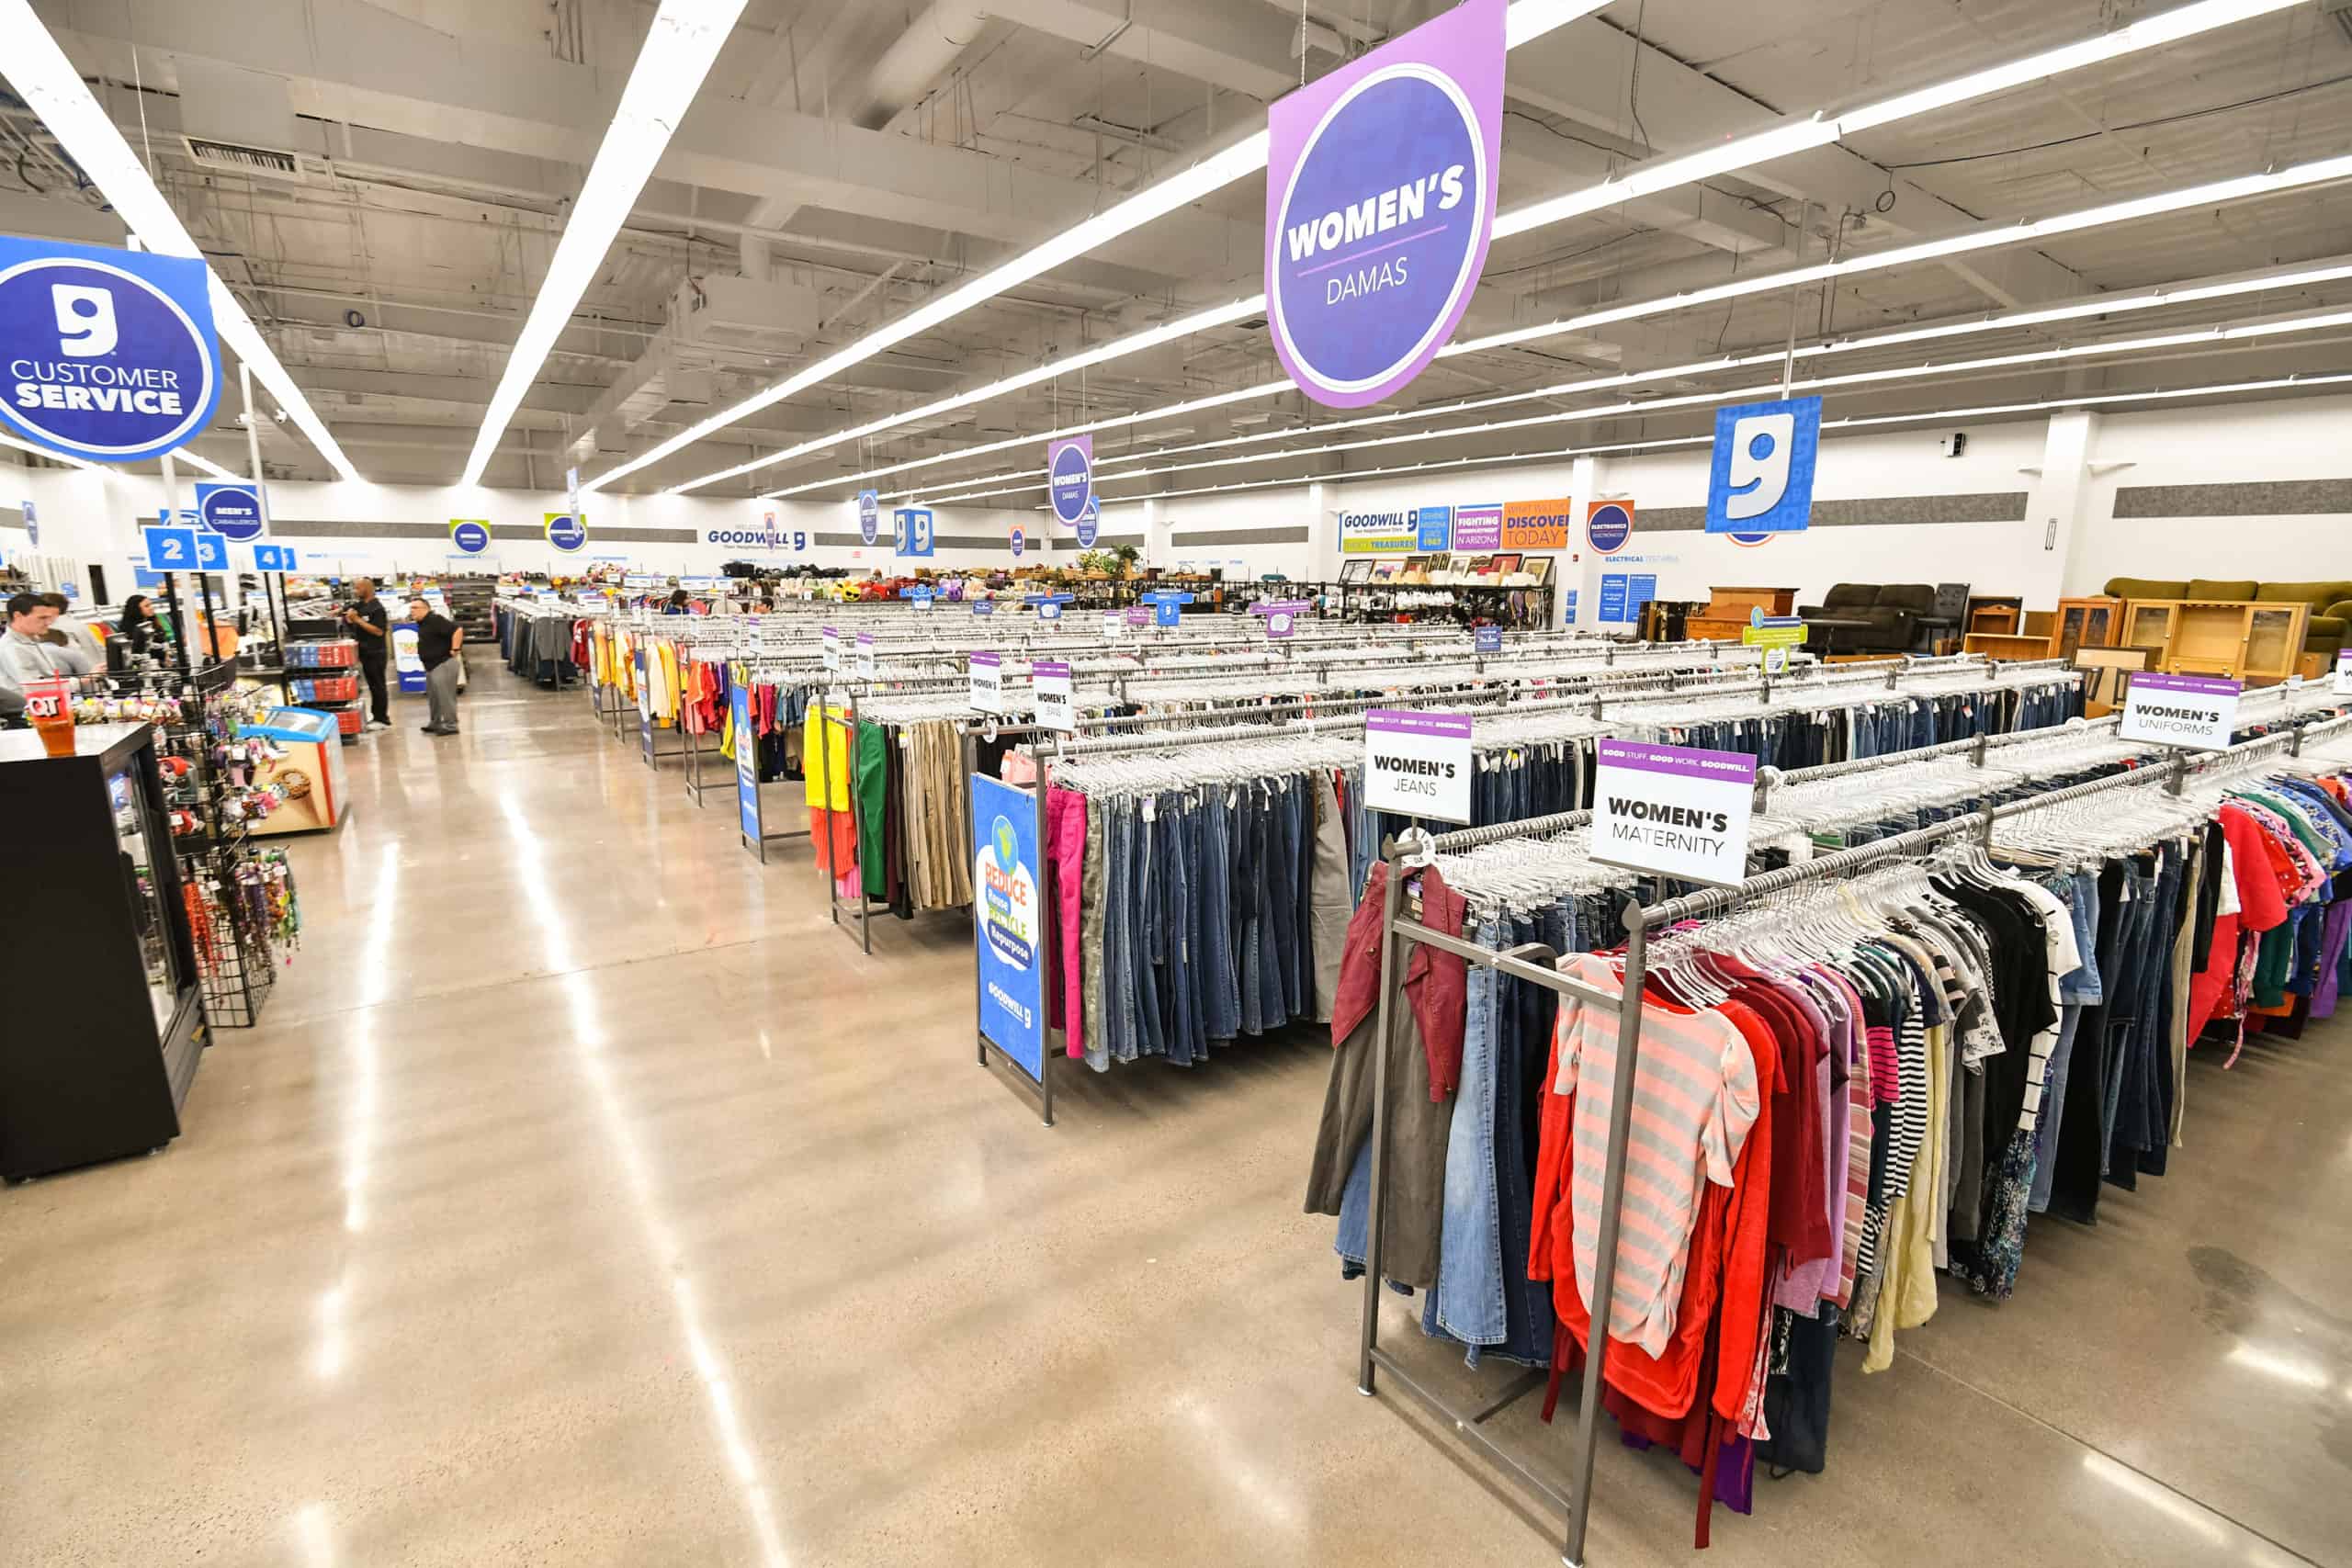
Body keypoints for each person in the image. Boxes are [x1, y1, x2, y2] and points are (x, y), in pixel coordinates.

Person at [408, 596, 463, 735]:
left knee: (446, 697)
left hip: (443, 664)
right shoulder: (423, 623)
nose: (412, 611)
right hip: (432, 666)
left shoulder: (435, 620)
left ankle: (451, 725)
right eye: (411, 608)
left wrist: (455, 649)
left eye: (415, 608)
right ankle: (435, 722)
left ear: (426, 609)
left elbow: (457, 630)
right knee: (434, 697)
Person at [344, 578, 391, 728]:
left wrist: (357, 620)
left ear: (367, 589)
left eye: (358, 588)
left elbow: (378, 632)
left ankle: (382, 719)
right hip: (364, 652)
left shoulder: (377, 609)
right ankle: (376, 716)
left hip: (376, 652)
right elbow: (349, 613)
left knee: (378, 685)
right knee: (372, 685)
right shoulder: (360, 605)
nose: (355, 591)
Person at [117, 594, 158, 658]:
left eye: (151, 604)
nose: (151, 608)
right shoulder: (129, 629)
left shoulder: (152, 621)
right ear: (136, 609)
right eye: (147, 606)